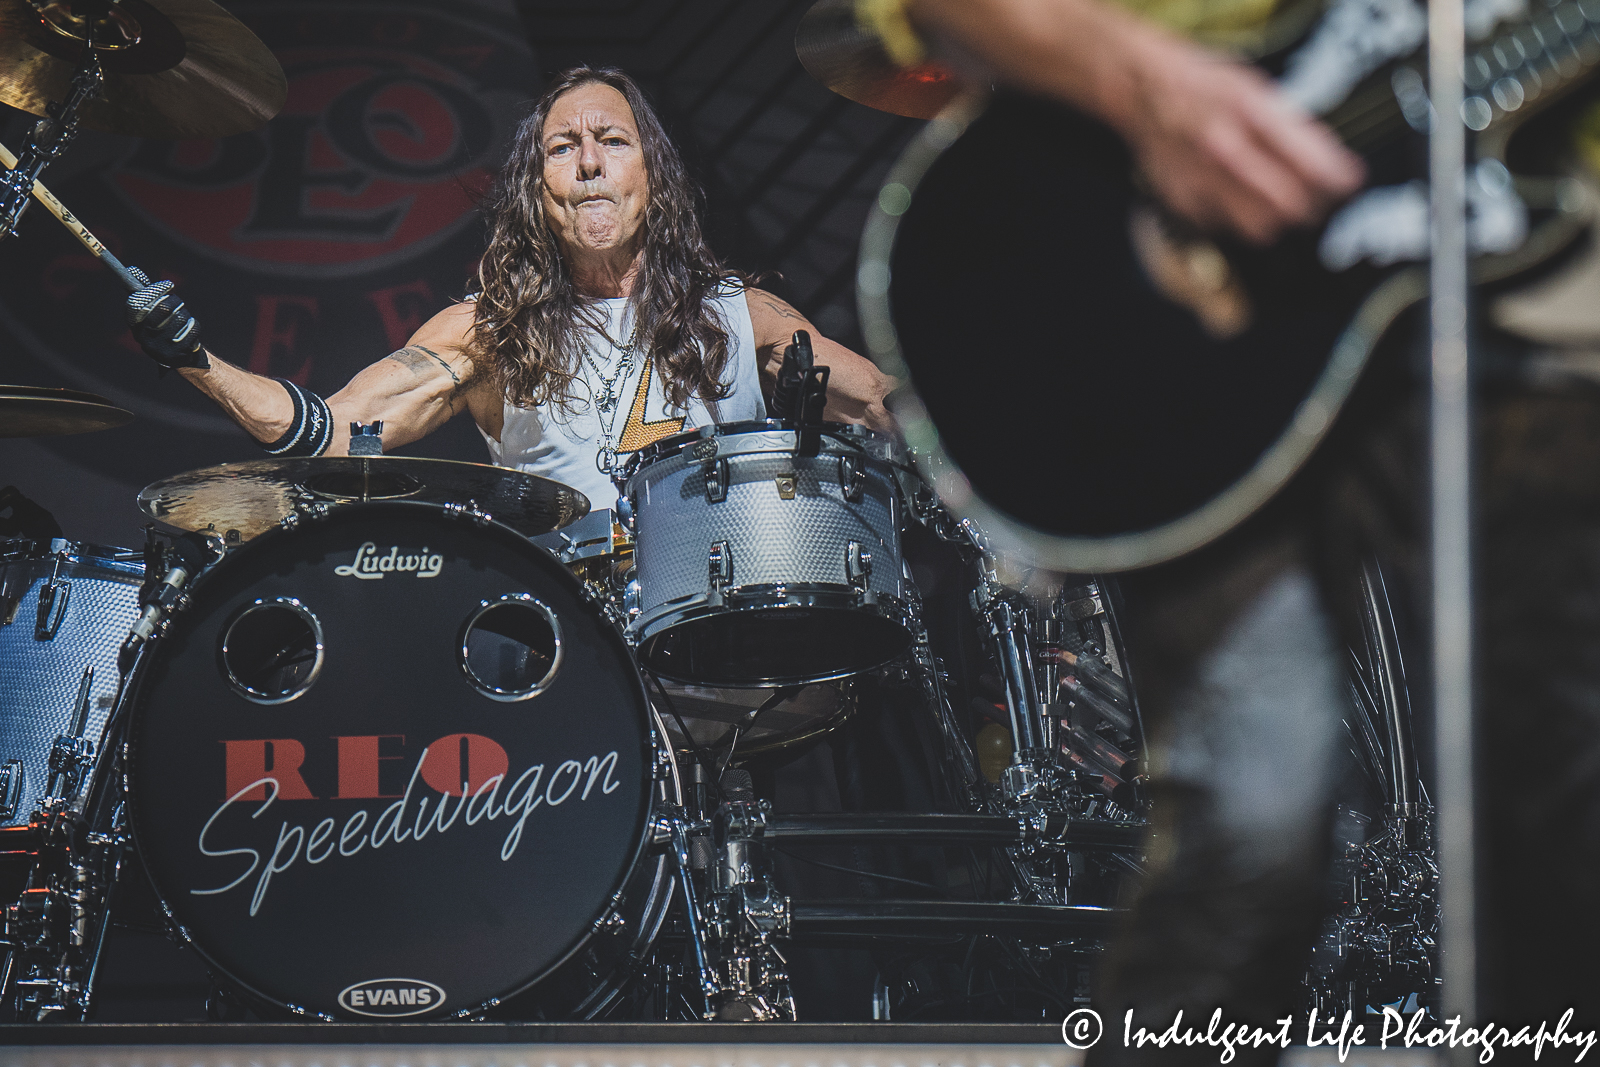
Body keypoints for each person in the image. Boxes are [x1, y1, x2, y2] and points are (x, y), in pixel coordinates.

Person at [121, 66, 896, 510]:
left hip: (725, 636)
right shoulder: (488, 332)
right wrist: (197, 362)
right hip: (565, 650)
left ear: (653, 181)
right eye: (564, 147)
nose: (590, 161)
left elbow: (894, 413)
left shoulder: (740, 316)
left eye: (613, 142)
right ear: (538, 189)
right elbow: (334, 429)